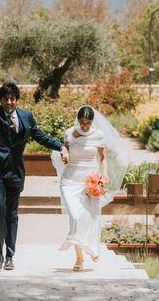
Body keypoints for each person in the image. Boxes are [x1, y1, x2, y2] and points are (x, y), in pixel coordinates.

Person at [0, 73, 69, 272]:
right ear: (1, 100)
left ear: (16, 100)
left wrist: (60, 146)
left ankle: (10, 255)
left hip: (15, 173)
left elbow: (39, 136)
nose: (9, 102)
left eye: (12, 98)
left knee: (12, 214)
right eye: (5, 99)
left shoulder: (26, 117)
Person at [53, 105, 126, 271]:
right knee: (75, 216)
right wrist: (64, 155)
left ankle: (84, 254)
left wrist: (104, 175)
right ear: (78, 120)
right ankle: (80, 254)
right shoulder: (69, 133)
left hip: (90, 181)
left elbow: (102, 158)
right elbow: (64, 152)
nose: (84, 126)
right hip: (70, 180)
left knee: (91, 216)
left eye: (88, 123)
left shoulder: (98, 135)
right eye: (82, 122)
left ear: (92, 122)